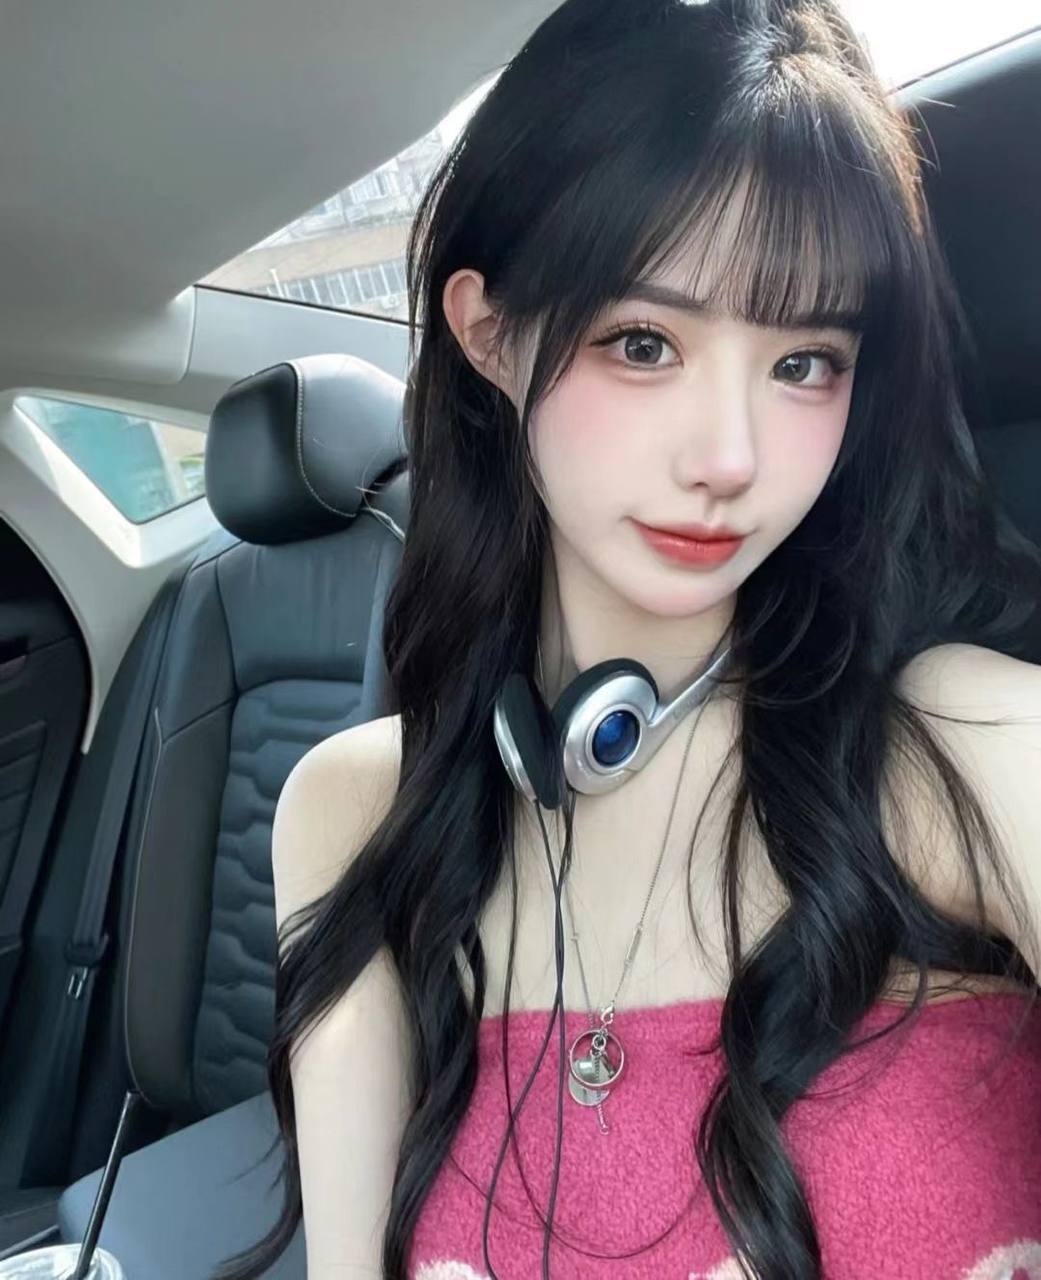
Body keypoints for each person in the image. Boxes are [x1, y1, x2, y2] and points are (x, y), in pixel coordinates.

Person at [217, 2, 1041, 1277]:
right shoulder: (357, 816)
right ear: (491, 336)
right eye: (645, 342)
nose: (731, 457)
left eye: (806, 362)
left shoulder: (961, 744)